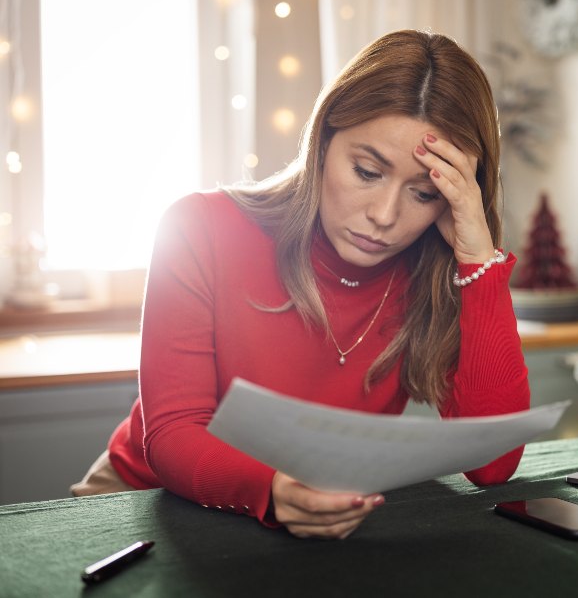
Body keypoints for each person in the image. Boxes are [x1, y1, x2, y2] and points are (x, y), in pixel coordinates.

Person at [71, 30, 531, 539]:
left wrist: (478, 258)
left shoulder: (436, 269)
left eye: (423, 194)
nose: (383, 216)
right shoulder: (198, 227)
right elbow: (175, 434)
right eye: (366, 171)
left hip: (306, 520)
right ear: (322, 142)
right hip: (142, 504)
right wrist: (270, 490)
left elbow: (492, 467)